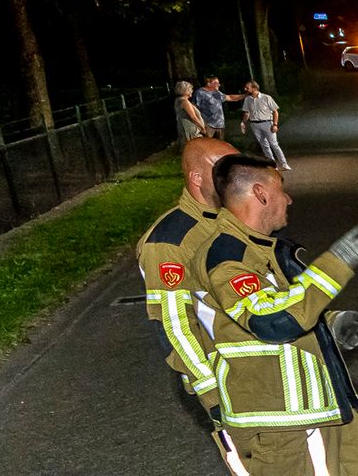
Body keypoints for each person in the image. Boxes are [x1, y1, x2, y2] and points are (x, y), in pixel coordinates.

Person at [191, 153, 358, 475]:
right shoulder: (227, 256)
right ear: (260, 193)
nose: (288, 198)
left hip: (318, 408)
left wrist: (332, 323)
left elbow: (283, 304)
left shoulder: (260, 249)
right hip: (281, 425)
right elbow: (270, 321)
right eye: (281, 188)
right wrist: (335, 263)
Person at [136, 137, 241, 474]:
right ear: (197, 178)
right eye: (226, 171)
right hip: (230, 385)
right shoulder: (169, 241)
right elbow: (174, 326)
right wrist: (212, 395)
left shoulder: (234, 219)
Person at [240, 80, 290, 171]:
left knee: (274, 144)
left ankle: (284, 163)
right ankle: (272, 165)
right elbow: (247, 113)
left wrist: (275, 124)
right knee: (264, 145)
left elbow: (275, 112)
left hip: (267, 123)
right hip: (255, 125)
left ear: (254, 88)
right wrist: (243, 122)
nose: (245, 89)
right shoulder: (247, 99)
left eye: (247, 87)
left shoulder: (266, 98)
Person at [193, 75, 247, 141]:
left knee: (220, 146)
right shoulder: (200, 93)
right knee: (209, 146)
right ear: (209, 84)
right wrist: (200, 124)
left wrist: (245, 95)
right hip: (208, 125)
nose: (219, 85)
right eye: (216, 83)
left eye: (218, 83)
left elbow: (230, 97)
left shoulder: (217, 92)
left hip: (220, 125)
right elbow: (195, 108)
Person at [175, 80, 206, 146]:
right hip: (190, 130)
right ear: (185, 91)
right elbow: (193, 117)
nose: (191, 91)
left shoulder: (178, 100)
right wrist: (202, 127)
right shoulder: (184, 102)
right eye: (190, 89)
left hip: (185, 128)